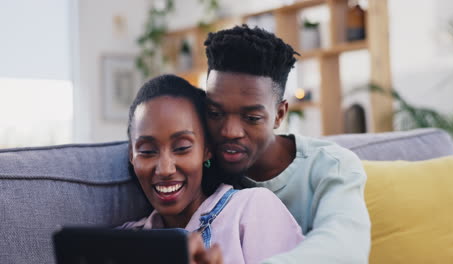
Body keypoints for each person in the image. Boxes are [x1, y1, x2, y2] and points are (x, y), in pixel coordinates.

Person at [202, 25, 371, 263]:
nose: (230, 132)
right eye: (215, 113)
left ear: (279, 115)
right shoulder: (199, 165)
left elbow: (345, 250)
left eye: (251, 118)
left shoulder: (330, 166)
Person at [121, 74, 304, 264]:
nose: (165, 169)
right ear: (131, 155)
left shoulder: (252, 208)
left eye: (182, 148)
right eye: (147, 151)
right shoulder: (125, 242)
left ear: (206, 149)